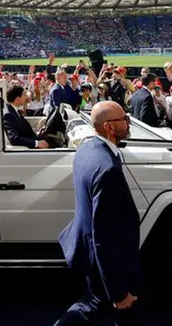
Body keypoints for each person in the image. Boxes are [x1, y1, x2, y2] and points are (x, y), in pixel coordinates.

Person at [55, 101, 142, 326]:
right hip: (105, 262)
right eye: (124, 119)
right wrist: (118, 291)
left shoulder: (88, 148)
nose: (128, 122)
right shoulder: (108, 170)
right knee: (91, 309)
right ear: (109, 128)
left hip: (90, 253)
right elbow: (104, 237)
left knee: (90, 305)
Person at [3, 85, 49, 149]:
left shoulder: (14, 110)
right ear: (17, 99)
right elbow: (14, 138)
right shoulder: (9, 115)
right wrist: (37, 143)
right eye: (24, 95)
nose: (26, 97)